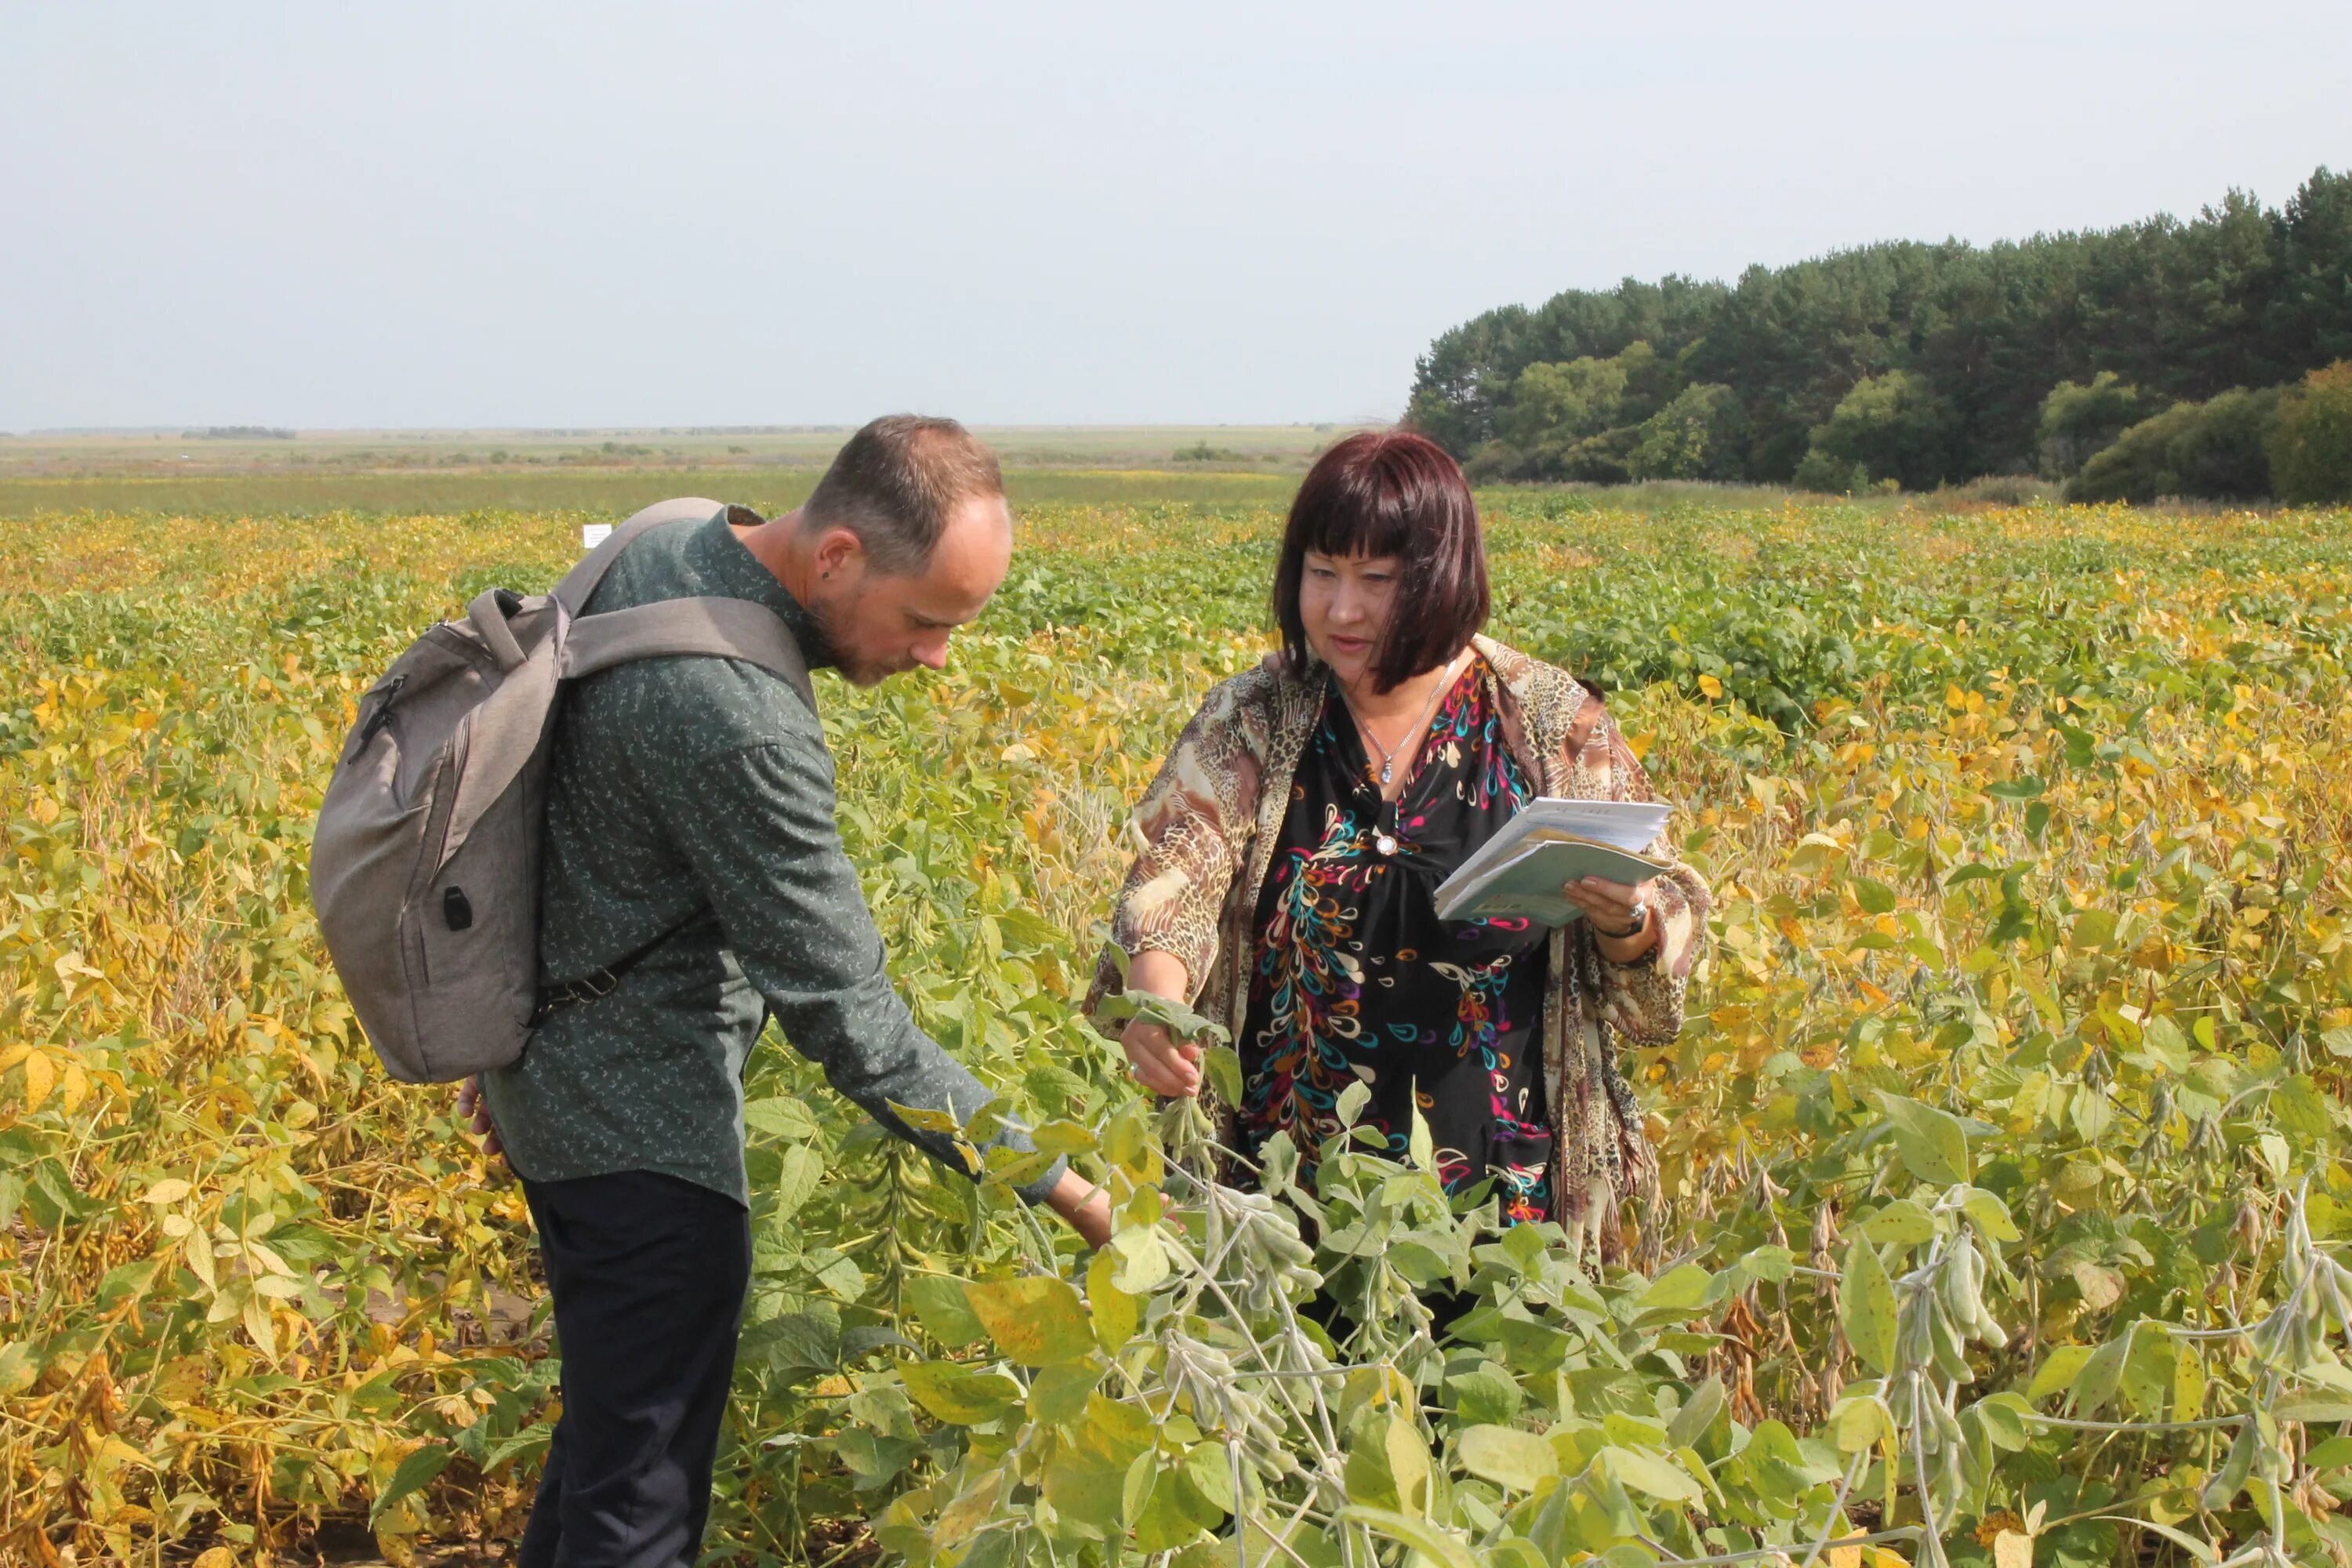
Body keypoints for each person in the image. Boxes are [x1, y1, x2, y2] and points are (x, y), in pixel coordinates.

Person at [456, 416, 1111, 1567]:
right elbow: (858, 1029)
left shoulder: (670, 540)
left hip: (547, 1081)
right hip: (639, 1141)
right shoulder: (741, 723)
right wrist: (1059, 1184)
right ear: (840, 557)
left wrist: (504, 1021)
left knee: (609, 1448)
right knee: (639, 1508)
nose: (937, 657)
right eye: (926, 621)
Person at [1092, 430, 1708, 1270]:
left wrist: (1629, 921)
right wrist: (1159, 1005)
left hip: (1506, 1200)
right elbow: (1178, 874)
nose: (1342, 610)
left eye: (1377, 581)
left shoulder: (1550, 722)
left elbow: (1661, 938)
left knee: (1499, 1392)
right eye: (1321, 572)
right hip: (1285, 1201)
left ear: (1443, 578)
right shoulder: (1257, 717)